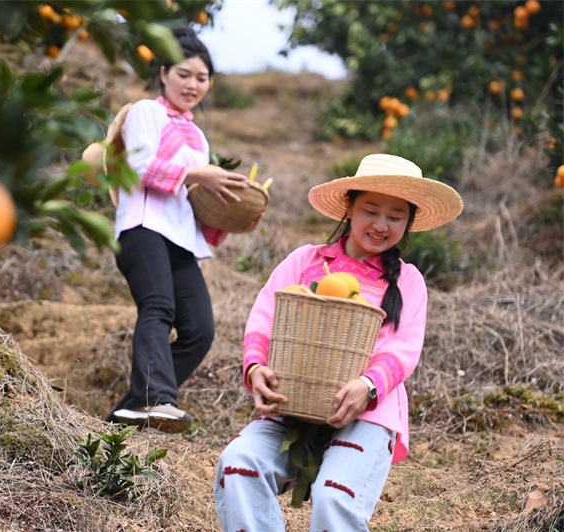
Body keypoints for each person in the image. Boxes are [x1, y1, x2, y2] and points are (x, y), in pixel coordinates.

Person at [214, 154, 463, 531]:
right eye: (371, 210)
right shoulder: (305, 261)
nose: (381, 224)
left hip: (368, 412)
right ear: (349, 208)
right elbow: (265, 316)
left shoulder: (408, 281)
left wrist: (367, 386)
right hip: (292, 400)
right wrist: (256, 366)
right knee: (238, 464)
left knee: (335, 495)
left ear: (409, 221)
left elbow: (404, 348)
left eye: (395, 216)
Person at [107, 28, 263, 434]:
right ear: (163, 73)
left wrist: (236, 218)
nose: (193, 84)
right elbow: (139, 168)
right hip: (142, 227)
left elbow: (196, 200)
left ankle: (128, 412)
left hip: (179, 237)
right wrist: (199, 173)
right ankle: (158, 399)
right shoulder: (146, 111)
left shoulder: (198, 136)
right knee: (158, 307)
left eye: (202, 77)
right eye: (184, 74)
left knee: (199, 329)